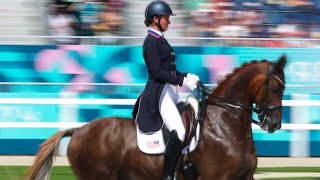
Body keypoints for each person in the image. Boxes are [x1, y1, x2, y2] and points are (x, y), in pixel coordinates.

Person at [133, 1, 200, 179]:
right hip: (159, 93)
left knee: (192, 121)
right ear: (155, 19)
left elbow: (170, 70)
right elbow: (157, 73)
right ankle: (168, 175)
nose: (169, 22)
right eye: (166, 18)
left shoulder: (160, 39)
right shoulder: (151, 42)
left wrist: (187, 76)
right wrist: (182, 80)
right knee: (179, 130)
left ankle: (184, 162)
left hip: (170, 91)